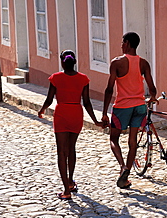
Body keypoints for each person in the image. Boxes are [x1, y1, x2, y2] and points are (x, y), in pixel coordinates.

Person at [38, 50, 102, 200]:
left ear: (62, 62)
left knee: (62, 151)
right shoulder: (83, 79)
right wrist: (96, 121)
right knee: (71, 148)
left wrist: (42, 110)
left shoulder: (56, 78)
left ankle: (66, 189)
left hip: (61, 114)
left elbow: (49, 99)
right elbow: (87, 103)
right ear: (75, 62)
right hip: (76, 114)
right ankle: (71, 181)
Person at [102, 32, 157, 189]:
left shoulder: (117, 63)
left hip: (122, 107)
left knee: (114, 139)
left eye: (122, 42)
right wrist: (152, 98)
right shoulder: (144, 63)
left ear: (126, 43)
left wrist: (105, 112)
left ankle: (123, 167)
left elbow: (109, 89)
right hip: (139, 106)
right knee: (133, 142)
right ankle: (125, 178)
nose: (121, 45)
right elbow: (152, 88)